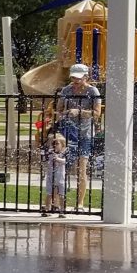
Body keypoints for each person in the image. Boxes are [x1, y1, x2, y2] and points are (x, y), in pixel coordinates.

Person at [54, 64, 102, 214]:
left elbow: (97, 113)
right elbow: (58, 110)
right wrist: (63, 115)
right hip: (68, 134)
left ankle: (79, 203)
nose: (75, 80)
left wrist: (79, 111)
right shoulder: (66, 90)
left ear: (86, 77)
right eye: (73, 77)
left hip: (85, 134)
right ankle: (58, 202)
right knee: (62, 167)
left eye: (78, 78)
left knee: (81, 169)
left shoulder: (92, 91)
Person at [40, 131, 69, 217]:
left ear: (62, 145)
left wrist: (58, 159)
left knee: (62, 194)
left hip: (61, 177)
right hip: (50, 177)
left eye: (57, 143)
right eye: (52, 143)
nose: (54, 145)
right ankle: (47, 209)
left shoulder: (64, 154)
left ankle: (62, 210)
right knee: (49, 193)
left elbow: (66, 162)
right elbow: (44, 160)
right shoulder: (50, 153)